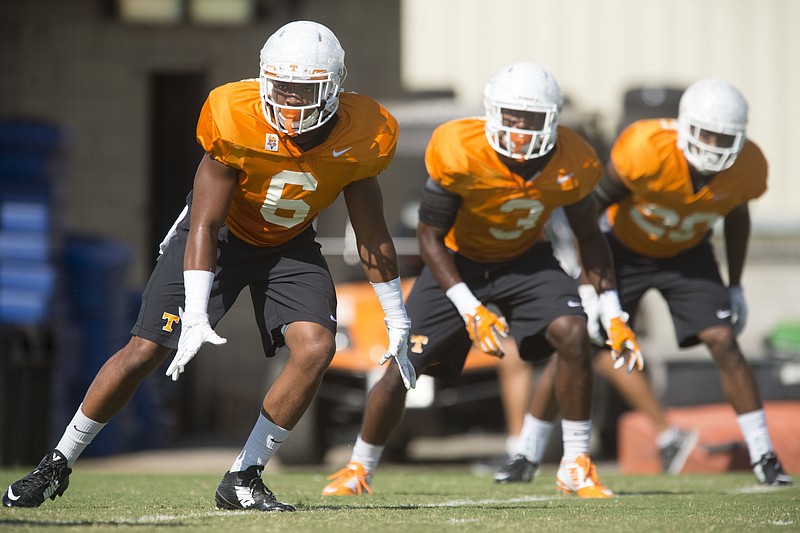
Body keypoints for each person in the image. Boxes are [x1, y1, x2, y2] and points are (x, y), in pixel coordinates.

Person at [2, 20, 416, 511]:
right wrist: (196, 311)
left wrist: (397, 316)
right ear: (263, 79)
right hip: (217, 235)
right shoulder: (234, 115)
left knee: (317, 346)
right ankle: (57, 462)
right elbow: (204, 222)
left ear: (333, 89)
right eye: (280, 87)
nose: (288, 101)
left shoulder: (365, 133)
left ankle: (244, 476)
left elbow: (372, 234)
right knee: (145, 351)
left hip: (289, 242)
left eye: (303, 91)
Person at [321, 62, 643, 499]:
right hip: (458, 261)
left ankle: (575, 464)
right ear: (492, 114)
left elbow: (591, 237)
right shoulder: (461, 149)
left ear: (551, 120)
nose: (519, 129)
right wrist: (470, 308)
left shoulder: (574, 158)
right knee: (401, 360)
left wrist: (613, 310)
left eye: (530, 119)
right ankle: (360, 466)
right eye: (510, 116)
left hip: (526, 261)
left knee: (573, 332)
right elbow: (429, 237)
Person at [561, 77, 788, 486]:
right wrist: (585, 282)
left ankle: (764, 456)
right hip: (624, 249)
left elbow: (738, 217)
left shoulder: (749, 165)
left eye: (725, 138)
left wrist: (735, 284)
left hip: (688, 252)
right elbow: (589, 212)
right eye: (707, 134)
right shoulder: (645, 149)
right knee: (577, 337)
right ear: (684, 127)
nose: (715, 146)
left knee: (722, 338)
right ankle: (525, 448)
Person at [494, 209, 699, 483]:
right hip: (546, 283)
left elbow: (588, 237)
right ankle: (522, 448)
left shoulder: (569, 187)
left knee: (599, 355)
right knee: (515, 354)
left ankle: (530, 451)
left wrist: (591, 291)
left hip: (585, 282)